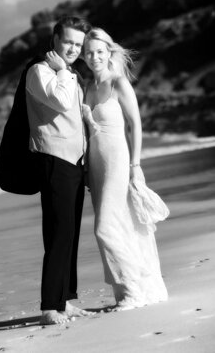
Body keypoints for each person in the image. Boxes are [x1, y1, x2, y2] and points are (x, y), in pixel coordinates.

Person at [82, 27, 168, 310]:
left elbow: (135, 125)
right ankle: (130, 292)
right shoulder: (86, 87)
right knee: (118, 224)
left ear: (109, 52)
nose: (94, 57)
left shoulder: (119, 83)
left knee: (104, 227)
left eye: (99, 51)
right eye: (89, 52)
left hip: (118, 160)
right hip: (96, 165)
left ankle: (132, 289)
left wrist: (136, 165)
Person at [25, 16, 93, 324]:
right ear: (54, 39)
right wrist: (65, 71)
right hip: (53, 161)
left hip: (74, 162)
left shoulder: (70, 74)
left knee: (71, 234)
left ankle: (66, 301)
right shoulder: (38, 71)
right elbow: (61, 101)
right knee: (57, 235)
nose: (74, 49)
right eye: (68, 42)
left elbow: (76, 116)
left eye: (78, 45)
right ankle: (49, 308)